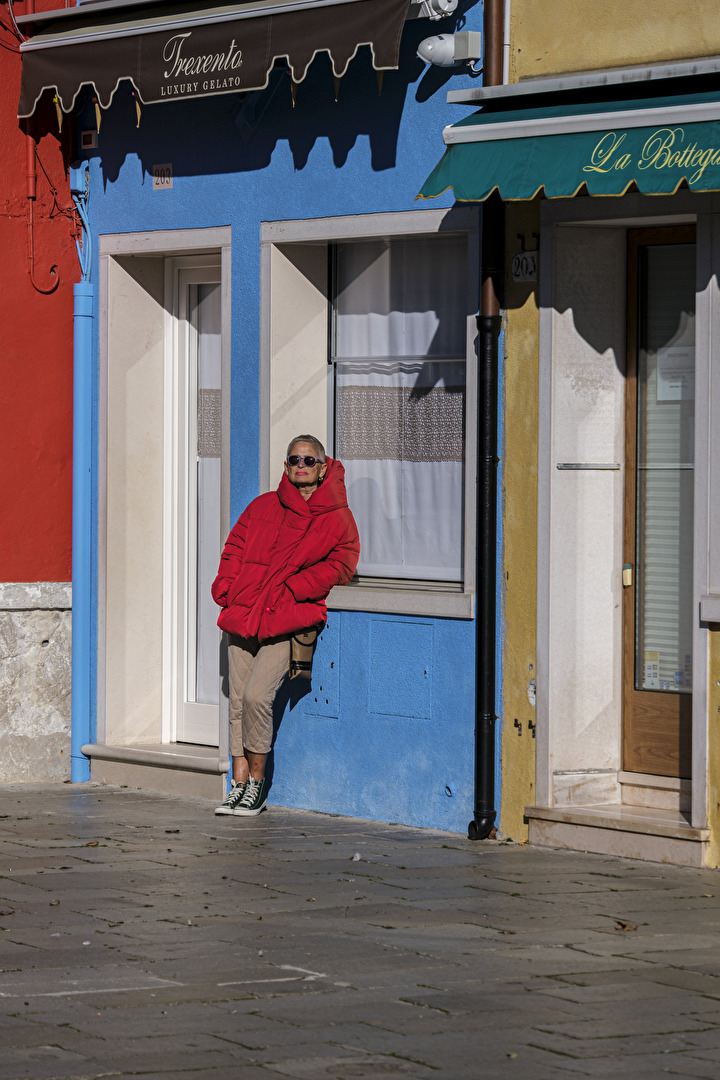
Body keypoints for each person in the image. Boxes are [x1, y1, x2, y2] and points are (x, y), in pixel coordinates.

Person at [211, 435, 360, 816]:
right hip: (244, 614)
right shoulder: (262, 506)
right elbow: (235, 548)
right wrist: (227, 588)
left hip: (285, 619)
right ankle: (237, 783)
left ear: (323, 467)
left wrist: (296, 588)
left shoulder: (337, 517)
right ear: (286, 464)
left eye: (309, 460)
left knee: (258, 697)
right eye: (294, 458)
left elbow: (342, 565)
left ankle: (258, 784)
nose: (301, 465)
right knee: (238, 700)